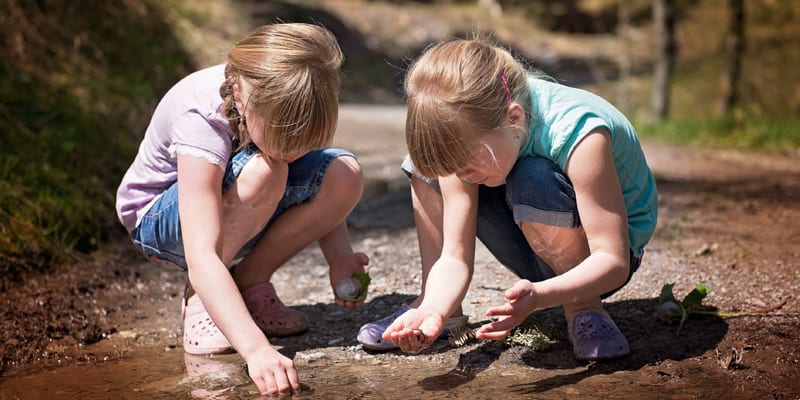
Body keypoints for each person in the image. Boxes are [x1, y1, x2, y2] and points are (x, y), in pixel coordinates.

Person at [357, 37, 658, 360]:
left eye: (470, 166)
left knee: (533, 176)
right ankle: (437, 302)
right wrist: (433, 309)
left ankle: (583, 308)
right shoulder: (478, 139)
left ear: (514, 118)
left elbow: (613, 261)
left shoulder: (578, 132)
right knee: (425, 165)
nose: (464, 177)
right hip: (533, 247)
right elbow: (455, 257)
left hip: (598, 264)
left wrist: (540, 297)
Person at [115, 23, 369, 396]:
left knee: (342, 173)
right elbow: (201, 254)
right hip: (160, 222)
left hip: (237, 203)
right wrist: (256, 350)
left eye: (306, 143)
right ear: (240, 96)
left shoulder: (281, 97)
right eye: (287, 140)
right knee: (268, 169)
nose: (296, 152)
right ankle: (202, 299)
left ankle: (250, 281)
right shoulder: (201, 118)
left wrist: (340, 256)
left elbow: (313, 176)